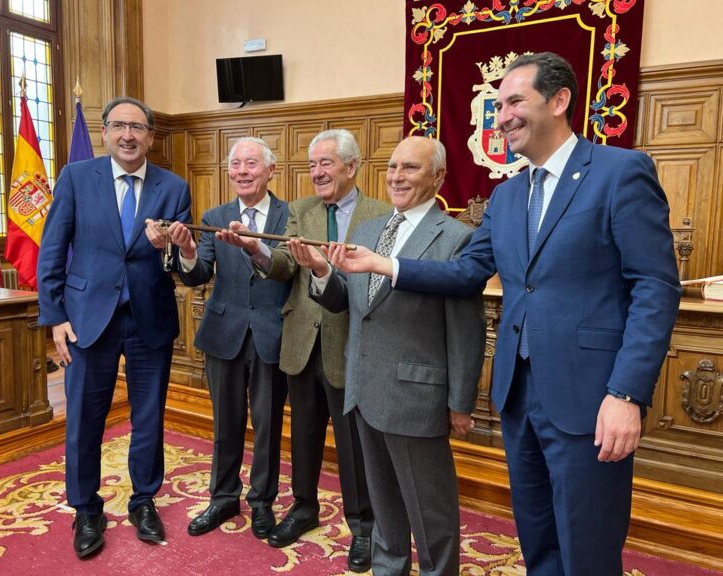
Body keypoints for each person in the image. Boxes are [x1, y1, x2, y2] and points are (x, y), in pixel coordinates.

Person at [333, 52, 681, 575]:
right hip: (518, 395)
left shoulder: (619, 173)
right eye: (498, 106)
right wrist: (384, 264)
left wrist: (626, 393)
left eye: (515, 101)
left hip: (591, 396)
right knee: (537, 536)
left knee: (587, 544)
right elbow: (466, 273)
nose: (502, 118)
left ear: (559, 101)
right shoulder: (506, 194)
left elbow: (654, 288)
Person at [288, 136, 485, 575]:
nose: (396, 177)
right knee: (383, 508)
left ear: (438, 177)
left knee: (430, 513)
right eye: (393, 167)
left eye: (410, 168)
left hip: (417, 398)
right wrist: (321, 270)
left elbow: (466, 329)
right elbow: (350, 302)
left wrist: (460, 402)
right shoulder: (367, 231)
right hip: (363, 391)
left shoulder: (457, 239)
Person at [216, 129, 387, 572]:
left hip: (350, 344)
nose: (317, 173)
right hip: (300, 343)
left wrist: (329, 272)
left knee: (352, 444)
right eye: (312, 165)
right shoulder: (301, 210)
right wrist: (256, 248)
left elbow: (377, 283)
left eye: (326, 163)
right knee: (304, 435)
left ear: (352, 166)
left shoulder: (379, 215)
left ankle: (362, 525)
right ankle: (304, 507)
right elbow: (283, 264)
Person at [37, 96, 192, 558]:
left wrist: (170, 248)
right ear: (104, 132)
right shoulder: (76, 177)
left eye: (138, 127)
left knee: (148, 418)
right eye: (119, 126)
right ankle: (86, 509)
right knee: (84, 420)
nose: (128, 135)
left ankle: (144, 500)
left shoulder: (174, 187)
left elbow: (181, 263)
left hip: (149, 320)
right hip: (87, 320)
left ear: (150, 137)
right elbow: (52, 249)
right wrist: (55, 316)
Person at [164, 137, 290, 540]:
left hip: (272, 334)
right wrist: (187, 250)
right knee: (225, 423)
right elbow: (197, 274)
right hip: (224, 334)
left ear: (271, 170)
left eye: (251, 163)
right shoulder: (214, 216)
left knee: (267, 425)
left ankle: (262, 501)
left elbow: (291, 271)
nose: (242, 171)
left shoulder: (290, 216)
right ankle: (223, 498)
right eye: (235, 164)